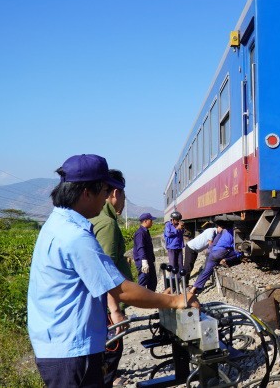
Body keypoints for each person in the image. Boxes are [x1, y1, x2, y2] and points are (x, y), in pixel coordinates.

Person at [28, 154, 197, 388]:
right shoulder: (74, 237)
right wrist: (175, 301)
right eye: (104, 191)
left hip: (57, 344)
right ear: (87, 193)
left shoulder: (56, 225)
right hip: (71, 350)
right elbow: (120, 289)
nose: (107, 198)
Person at [89, 169, 130, 388]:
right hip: (106, 306)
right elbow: (105, 272)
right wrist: (115, 310)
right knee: (113, 348)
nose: (123, 202)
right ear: (115, 193)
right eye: (124, 196)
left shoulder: (95, 218)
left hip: (100, 305)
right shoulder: (107, 224)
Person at [190, 219, 242, 294]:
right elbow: (235, 246)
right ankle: (225, 260)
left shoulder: (224, 233)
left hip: (213, 253)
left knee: (206, 271)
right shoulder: (233, 233)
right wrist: (239, 254)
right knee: (238, 252)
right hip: (220, 252)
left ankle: (193, 289)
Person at [133, 213, 158, 291]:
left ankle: (150, 297)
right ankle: (139, 298)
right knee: (143, 282)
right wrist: (144, 261)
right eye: (151, 220)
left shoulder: (146, 231)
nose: (152, 222)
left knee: (152, 282)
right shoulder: (140, 233)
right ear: (145, 221)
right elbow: (140, 247)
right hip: (143, 262)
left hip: (149, 260)